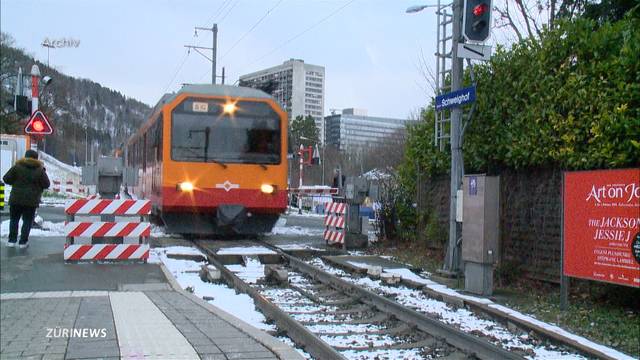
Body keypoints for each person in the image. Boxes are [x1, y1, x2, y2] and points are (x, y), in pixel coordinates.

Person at [2, 149, 50, 248]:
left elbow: (6, 178)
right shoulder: (40, 170)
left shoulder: (17, 167)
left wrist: (15, 183)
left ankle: (12, 241)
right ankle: (23, 242)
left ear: (25, 156)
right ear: (36, 158)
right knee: (27, 221)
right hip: (31, 201)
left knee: (14, 220)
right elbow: (46, 184)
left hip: (16, 198)